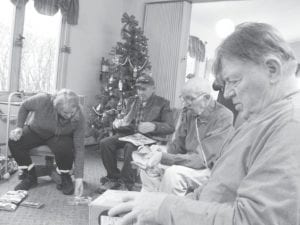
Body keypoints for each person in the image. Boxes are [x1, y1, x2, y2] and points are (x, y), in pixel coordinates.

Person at [108, 22, 300, 225]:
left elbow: (255, 220)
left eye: (234, 80)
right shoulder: (262, 117)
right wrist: (163, 203)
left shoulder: (290, 126)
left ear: (272, 69)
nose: (226, 93)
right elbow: (218, 186)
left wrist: (164, 208)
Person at [138, 77, 233, 195]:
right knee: (147, 168)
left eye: (190, 99)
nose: (186, 104)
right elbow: (177, 146)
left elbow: (201, 160)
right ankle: (148, 205)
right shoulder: (190, 113)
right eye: (184, 98)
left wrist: (163, 157)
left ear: (206, 98)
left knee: (173, 174)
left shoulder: (224, 117)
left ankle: (168, 210)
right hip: (188, 162)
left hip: (209, 169)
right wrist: (157, 151)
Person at [98, 74, 174, 192]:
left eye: (144, 89)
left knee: (130, 147)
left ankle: (126, 181)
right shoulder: (131, 101)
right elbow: (122, 118)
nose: (140, 92)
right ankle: (113, 177)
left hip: (149, 137)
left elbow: (170, 126)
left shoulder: (162, 103)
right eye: (138, 88)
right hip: (129, 134)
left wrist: (154, 126)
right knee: (105, 143)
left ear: (153, 88)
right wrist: (117, 123)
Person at [9, 89, 85, 196]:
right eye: (65, 113)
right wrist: (19, 127)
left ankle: (65, 176)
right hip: (35, 130)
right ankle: (30, 177)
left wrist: (79, 179)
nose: (69, 116)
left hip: (59, 135)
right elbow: (24, 106)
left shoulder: (80, 116)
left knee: (66, 148)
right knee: (14, 142)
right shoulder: (43, 100)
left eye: (72, 113)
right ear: (56, 107)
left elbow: (79, 148)